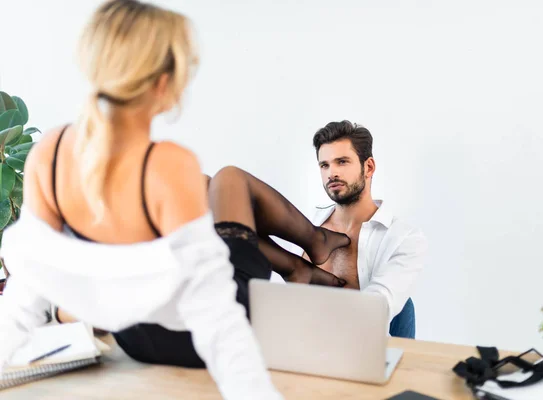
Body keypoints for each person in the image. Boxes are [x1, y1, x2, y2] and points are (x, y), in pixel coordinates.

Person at [0, 1, 350, 398]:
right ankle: (310, 249)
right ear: (163, 82)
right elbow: (216, 314)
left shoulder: (50, 151)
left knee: (211, 188)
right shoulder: (169, 166)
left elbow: (27, 284)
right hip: (197, 337)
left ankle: (302, 262)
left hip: (136, 340)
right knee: (228, 181)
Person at [302, 120, 428, 338]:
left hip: (360, 353)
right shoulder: (306, 225)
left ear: (368, 167)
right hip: (301, 345)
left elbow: (378, 306)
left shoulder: (404, 239)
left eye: (342, 162)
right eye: (325, 165)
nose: (332, 173)